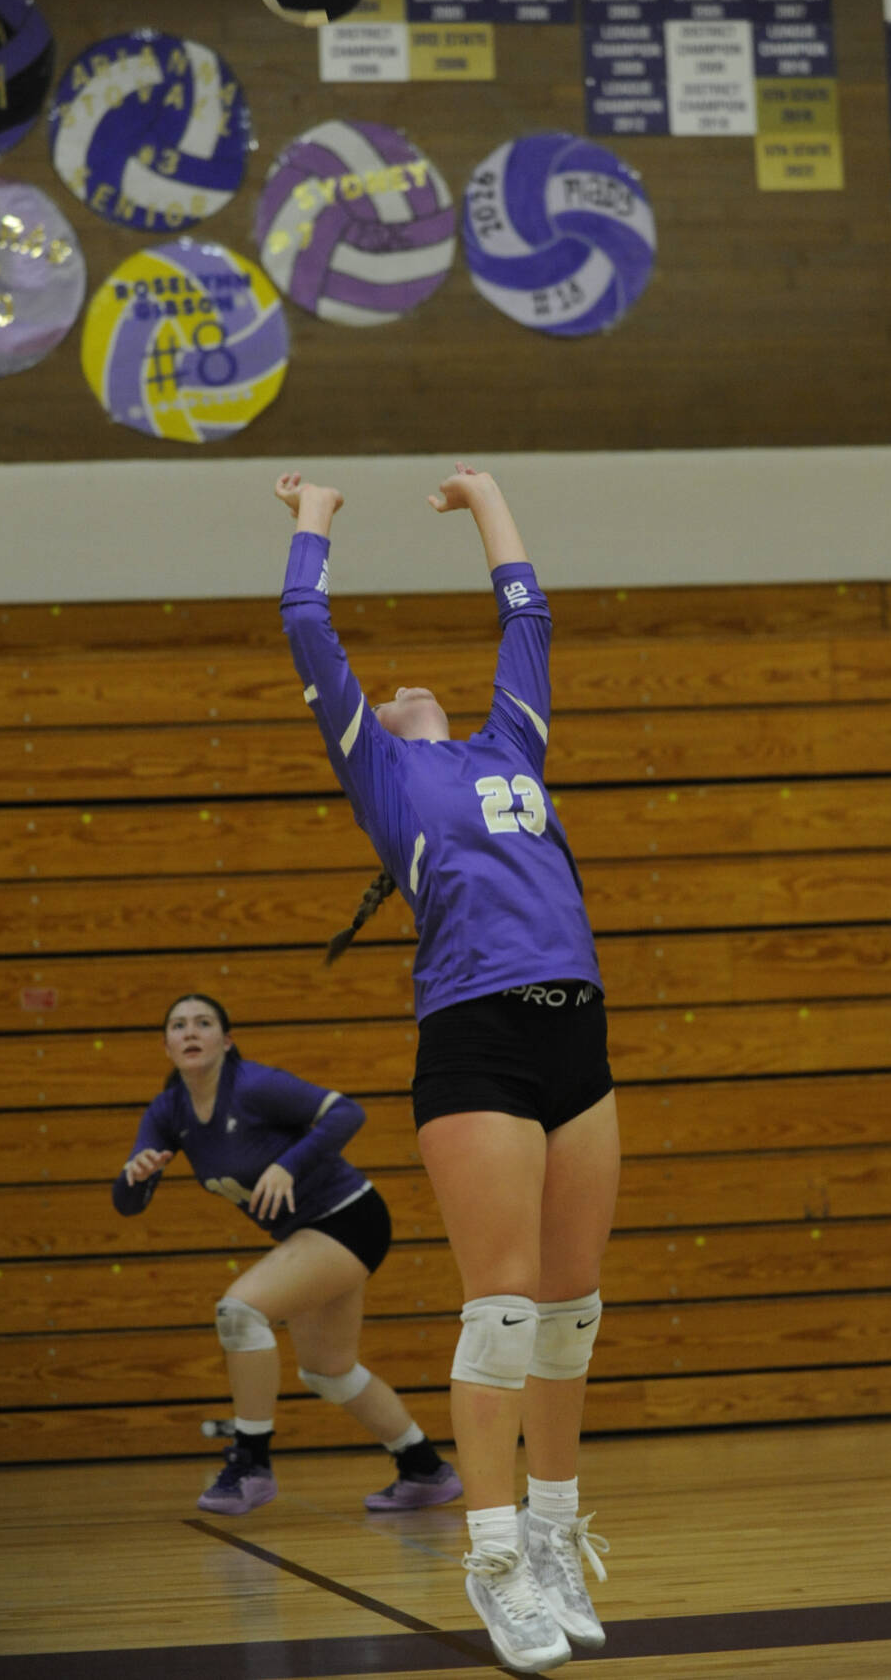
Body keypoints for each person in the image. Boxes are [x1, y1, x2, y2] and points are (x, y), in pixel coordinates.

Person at [276, 464, 621, 1675]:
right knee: (504, 1314)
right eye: (398, 688)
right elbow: (306, 630)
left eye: (428, 686)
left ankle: (552, 1533)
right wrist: (314, 524)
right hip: (474, 1041)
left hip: (574, 1030)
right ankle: (490, 1561)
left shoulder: (509, 736)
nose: (412, 684)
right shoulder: (385, 771)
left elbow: (527, 611)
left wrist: (484, 500)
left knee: (571, 1318)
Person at [113, 991, 462, 1518]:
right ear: (165, 1045)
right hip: (311, 1234)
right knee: (328, 1372)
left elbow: (346, 1112)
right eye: (178, 1025)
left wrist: (288, 1165)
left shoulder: (254, 1085)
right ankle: (424, 1468)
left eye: (203, 1023)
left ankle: (251, 1463)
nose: (190, 1032)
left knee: (239, 1312)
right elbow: (128, 1203)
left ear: (226, 1041)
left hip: (349, 1217)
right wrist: (134, 1177)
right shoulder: (169, 1111)